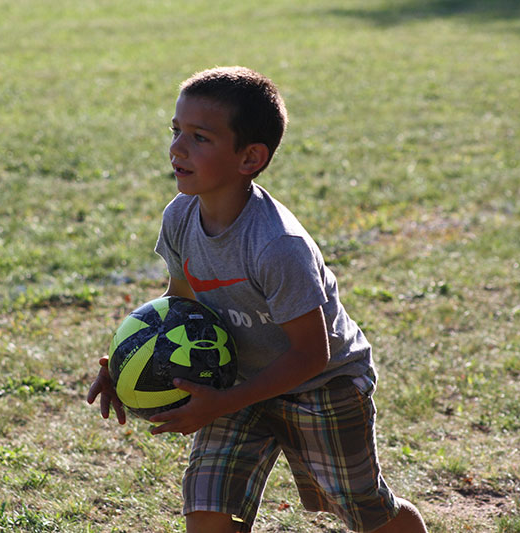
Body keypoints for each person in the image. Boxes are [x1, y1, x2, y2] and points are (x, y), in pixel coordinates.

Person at [87, 66, 427, 533]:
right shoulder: (180, 217)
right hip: (235, 378)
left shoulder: (277, 245)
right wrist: (131, 365)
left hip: (323, 385)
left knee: (361, 506)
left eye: (200, 137)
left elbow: (312, 353)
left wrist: (221, 403)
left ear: (250, 158)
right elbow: (180, 302)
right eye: (176, 131)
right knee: (208, 507)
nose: (177, 148)